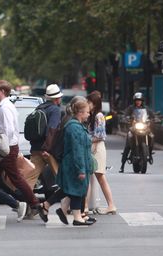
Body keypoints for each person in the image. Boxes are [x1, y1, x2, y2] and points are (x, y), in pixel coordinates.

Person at [0, 80, 39, 217]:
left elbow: (9, 130)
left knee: (14, 178)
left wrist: (4, 146)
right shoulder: (1, 107)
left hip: (6, 148)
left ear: (3, 92)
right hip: (6, 147)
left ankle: (34, 203)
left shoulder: (5, 108)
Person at [56, 98, 94, 226]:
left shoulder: (77, 126)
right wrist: (81, 169)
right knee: (77, 190)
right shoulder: (74, 128)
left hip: (76, 164)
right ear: (80, 113)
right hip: (74, 165)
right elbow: (77, 151)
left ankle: (73, 214)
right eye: (87, 112)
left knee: (76, 190)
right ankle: (77, 217)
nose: (89, 114)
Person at [26, 83, 63, 190]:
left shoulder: (39, 107)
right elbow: (52, 130)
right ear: (56, 99)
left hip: (35, 148)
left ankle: (24, 203)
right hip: (47, 150)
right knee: (60, 178)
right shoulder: (55, 110)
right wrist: (47, 148)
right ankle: (68, 204)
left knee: (30, 178)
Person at [85, 91, 117, 215]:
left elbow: (100, 135)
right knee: (97, 177)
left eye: (89, 102)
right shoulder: (93, 115)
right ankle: (108, 205)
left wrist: (87, 139)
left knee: (98, 177)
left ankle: (88, 206)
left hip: (97, 148)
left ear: (95, 103)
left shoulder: (98, 116)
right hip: (94, 147)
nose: (87, 104)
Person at [119, 92, 155, 173]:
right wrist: (125, 118)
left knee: (152, 136)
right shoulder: (131, 108)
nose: (138, 102)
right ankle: (122, 165)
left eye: (140, 100)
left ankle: (150, 153)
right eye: (137, 100)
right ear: (134, 101)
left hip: (144, 127)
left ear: (142, 101)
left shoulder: (146, 109)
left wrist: (154, 119)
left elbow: (152, 115)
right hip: (133, 128)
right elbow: (125, 115)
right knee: (128, 142)